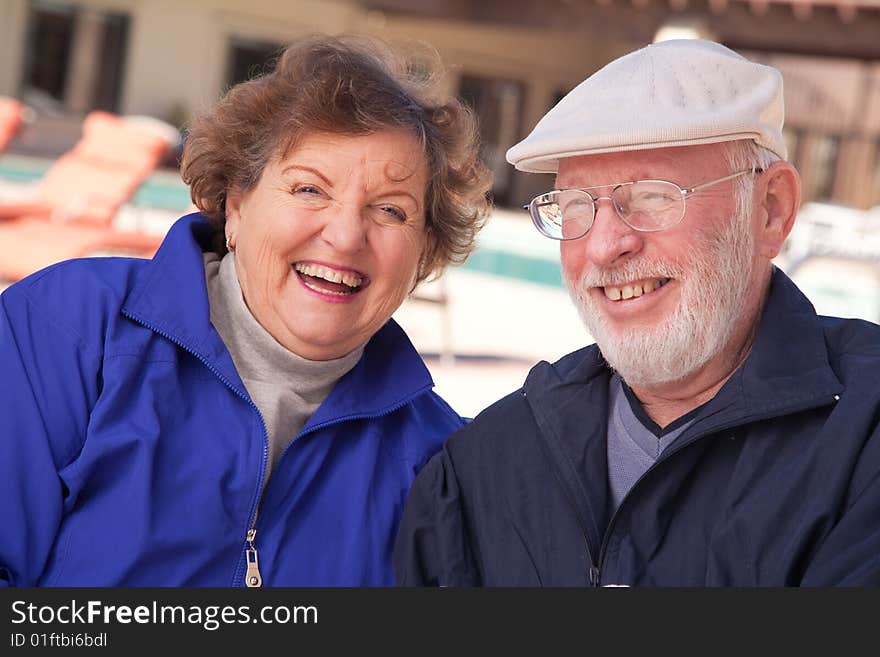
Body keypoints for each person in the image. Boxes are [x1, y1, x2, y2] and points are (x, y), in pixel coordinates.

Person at [0, 35, 491, 586]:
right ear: (235, 205)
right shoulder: (66, 331)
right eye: (309, 189)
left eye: (390, 211)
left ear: (424, 250)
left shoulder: (439, 463)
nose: (347, 235)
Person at [393, 39, 880, 586]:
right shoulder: (489, 461)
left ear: (770, 210)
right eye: (575, 204)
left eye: (652, 195)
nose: (604, 246)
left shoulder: (863, 437)